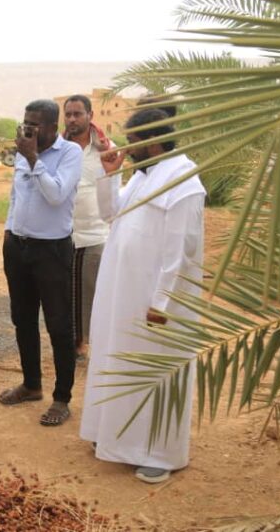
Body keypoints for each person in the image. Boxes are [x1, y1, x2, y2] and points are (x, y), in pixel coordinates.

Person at [79, 108, 206, 484]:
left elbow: (181, 250)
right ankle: (117, 439)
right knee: (119, 361)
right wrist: (109, 174)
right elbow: (110, 214)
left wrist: (163, 302)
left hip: (155, 301)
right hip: (124, 292)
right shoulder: (141, 176)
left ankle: (161, 454)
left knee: (154, 370)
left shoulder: (183, 180)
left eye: (134, 144)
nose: (129, 150)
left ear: (153, 141)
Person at [0, 99, 82, 427]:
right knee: (23, 319)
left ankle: (62, 398)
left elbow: (57, 195)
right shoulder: (22, 152)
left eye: (34, 123)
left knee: (60, 326)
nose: (27, 128)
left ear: (51, 126)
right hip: (17, 247)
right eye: (25, 121)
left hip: (52, 250)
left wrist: (34, 158)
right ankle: (31, 385)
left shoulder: (69, 154)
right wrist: (9, 230)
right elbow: (16, 196)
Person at [62, 94, 117, 361]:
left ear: (90, 115)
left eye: (77, 114)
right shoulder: (57, 148)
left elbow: (114, 189)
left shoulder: (106, 149)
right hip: (62, 232)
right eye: (68, 114)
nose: (72, 119)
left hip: (95, 231)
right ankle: (70, 341)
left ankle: (85, 342)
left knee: (90, 289)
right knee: (63, 289)